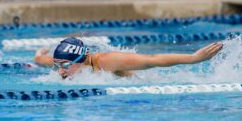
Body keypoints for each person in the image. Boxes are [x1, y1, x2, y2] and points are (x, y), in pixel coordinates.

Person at [35, 37, 223, 79]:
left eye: (65, 64)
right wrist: (39, 54)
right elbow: (40, 60)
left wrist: (193, 58)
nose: (60, 70)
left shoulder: (108, 61)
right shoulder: (64, 65)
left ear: (80, 60)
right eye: (58, 65)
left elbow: (152, 59)